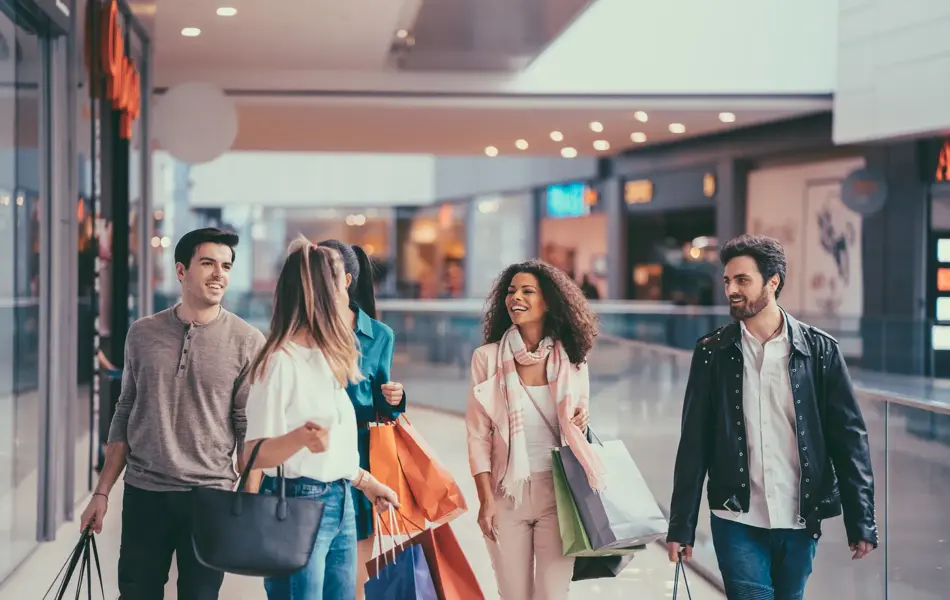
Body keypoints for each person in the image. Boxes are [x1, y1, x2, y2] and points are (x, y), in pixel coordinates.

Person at [666, 234, 877, 599]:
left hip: (800, 517)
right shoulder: (712, 353)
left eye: (742, 280)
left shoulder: (820, 351)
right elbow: (694, 444)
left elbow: (849, 439)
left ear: (773, 282)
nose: (731, 290)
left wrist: (862, 520)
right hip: (735, 517)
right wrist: (681, 526)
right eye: (727, 281)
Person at [79, 227, 267, 600]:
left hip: (210, 496)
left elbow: (249, 430)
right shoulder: (142, 333)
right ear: (181, 270)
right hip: (145, 491)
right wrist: (101, 492)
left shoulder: (247, 341)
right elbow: (125, 411)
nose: (219, 274)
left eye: (226, 266)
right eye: (208, 263)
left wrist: (248, 503)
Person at [242, 239, 400, 600]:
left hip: (342, 500)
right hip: (298, 504)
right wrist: (298, 438)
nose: (346, 289)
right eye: (336, 281)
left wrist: (367, 483)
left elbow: (336, 448)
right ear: (315, 293)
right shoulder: (279, 362)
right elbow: (251, 454)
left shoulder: (331, 357)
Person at [466, 260, 601, 600]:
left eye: (528, 291)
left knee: (552, 595)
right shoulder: (487, 359)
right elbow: (478, 436)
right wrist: (485, 501)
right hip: (506, 493)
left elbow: (579, 418)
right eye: (511, 291)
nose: (516, 298)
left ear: (548, 302)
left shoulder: (573, 358)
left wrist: (581, 419)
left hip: (559, 493)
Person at [316, 239, 406, 600]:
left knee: (353, 579)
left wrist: (396, 399)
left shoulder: (379, 335)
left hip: (359, 457)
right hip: (311, 455)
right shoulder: (303, 330)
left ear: (347, 279)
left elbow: (383, 405)